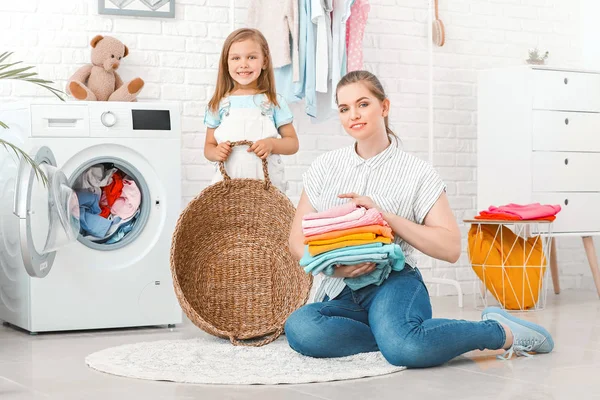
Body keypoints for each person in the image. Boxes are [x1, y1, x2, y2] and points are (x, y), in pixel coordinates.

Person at [284, 70, 554, 368]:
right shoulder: (324, 167)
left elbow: (450, 248)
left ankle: (498, 332)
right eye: (344, 109)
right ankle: (400, 335)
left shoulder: (417, 172)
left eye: (363, 104)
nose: (353, 115)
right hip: (340, 289)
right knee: (301, 329)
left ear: (384, 107)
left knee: (405, 350)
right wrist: (336, 268)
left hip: (395, 285)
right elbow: (297, 240)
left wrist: (383, 216)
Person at [204, 28, 299, 193]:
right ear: (226, 64)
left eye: (252, 57)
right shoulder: (218, 104)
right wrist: (216, 152)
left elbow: (292, 143)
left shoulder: (273, 102)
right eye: (235, 58)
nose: (243, 64)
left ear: (264, 62)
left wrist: (272, 144)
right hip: (228, 188)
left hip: (267, 189)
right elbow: (208, 147)